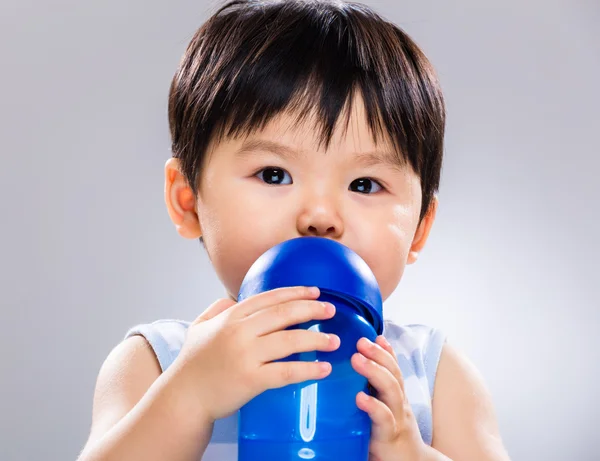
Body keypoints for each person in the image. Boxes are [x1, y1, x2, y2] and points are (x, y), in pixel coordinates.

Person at [78, 1, 511, 460]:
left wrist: (412, 453)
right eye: (273, 174)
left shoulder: (435, 374)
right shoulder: (156, 363)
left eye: (364, 184)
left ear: (420, 228)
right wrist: (188, 397)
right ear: (188, 201)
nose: (319, 216)